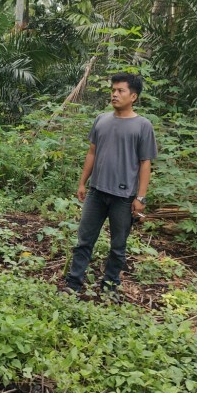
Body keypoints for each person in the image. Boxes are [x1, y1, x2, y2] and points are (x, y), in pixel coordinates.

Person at [63, 72, 157, 295]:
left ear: (133, 96)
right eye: (113, 90)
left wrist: (140, 197)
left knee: (118, 246)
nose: (114, 94)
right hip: (96, 192)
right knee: (84, 240)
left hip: (123, 198)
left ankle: (109, 287)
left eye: (120, 90)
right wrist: (83, 182)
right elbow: (92, 153)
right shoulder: (101, 120)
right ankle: (73, 284)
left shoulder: (143, 126)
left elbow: (145, 163)